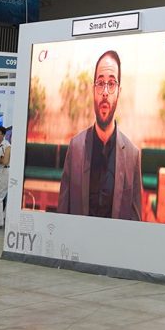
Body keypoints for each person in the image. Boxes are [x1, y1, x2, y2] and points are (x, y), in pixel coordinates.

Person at [57, 50, 143, 220]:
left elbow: (135, 221)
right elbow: (62, 212)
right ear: (93, 90)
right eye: (100, 83)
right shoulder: (75, 148)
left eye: (111, 84)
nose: (105, 92)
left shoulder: (132, 155)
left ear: (119, 91)